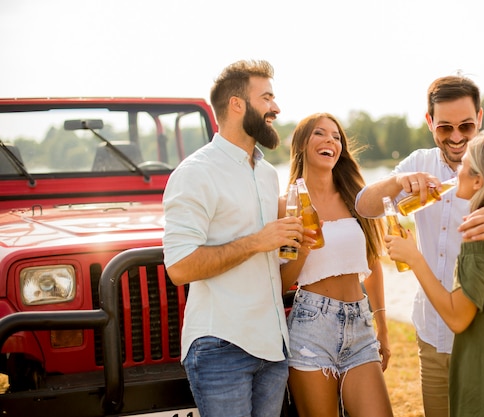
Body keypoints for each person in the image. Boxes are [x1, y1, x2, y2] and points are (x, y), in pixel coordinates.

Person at [355, 75, 484, 417]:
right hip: (432, 334)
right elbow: (364, 205)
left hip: (482, 336)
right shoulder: (418, 163)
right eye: (445, 127)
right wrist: (397, 182)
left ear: (479, 118)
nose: (456, 137)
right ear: (430, 122)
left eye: (466, 125)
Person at [162, 59, 308, 417]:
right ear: (237, 104)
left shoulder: (267, 173)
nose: (276, 108)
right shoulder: (195, 174)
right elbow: (179, 268)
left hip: (273, 348)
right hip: (222, 348)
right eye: (267, 98)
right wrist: (258, 241)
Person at [280, 113, 394, 417]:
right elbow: (279, 284)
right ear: (302, 144)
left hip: (360, 326)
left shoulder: (356, 198)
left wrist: (382, 327)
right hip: (311, 327)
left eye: (336, 136)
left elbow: (372, 263)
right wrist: (304, 246)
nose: (331, 140)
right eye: (320, 133)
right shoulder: (286, 205)